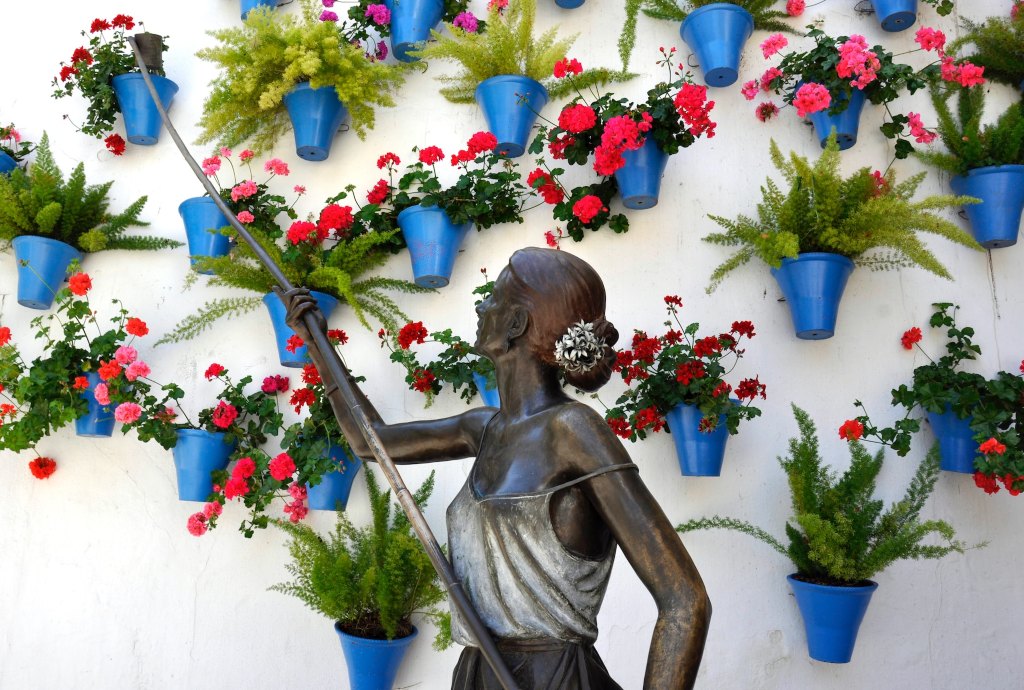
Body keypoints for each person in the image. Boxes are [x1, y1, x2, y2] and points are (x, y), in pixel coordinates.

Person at [280, 247, 710, 690]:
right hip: (477, 673)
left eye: (494, 297)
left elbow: (684, 599)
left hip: (556, 680)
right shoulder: (482, 428)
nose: (482, 305)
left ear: (517, 324)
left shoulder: (574, 431)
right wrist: (316, 341)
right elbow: (368, 442)